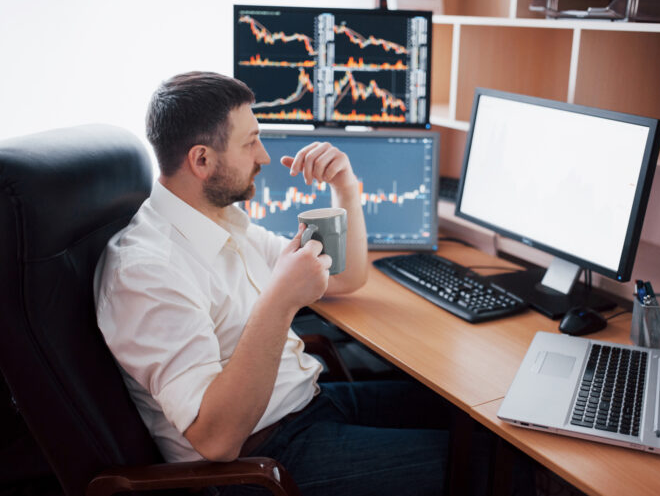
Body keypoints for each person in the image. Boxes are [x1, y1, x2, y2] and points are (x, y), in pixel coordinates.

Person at [93, 72, 456, 496]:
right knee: (491, 464)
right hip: (261, 460)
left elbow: (344, 276)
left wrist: (345, 187)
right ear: (202, 160)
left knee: (468, 421)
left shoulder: (221, 219)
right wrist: (281, 299)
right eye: (250, 142)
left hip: (309, 405)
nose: (263, 155)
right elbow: (217, 439)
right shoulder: (146, 271)